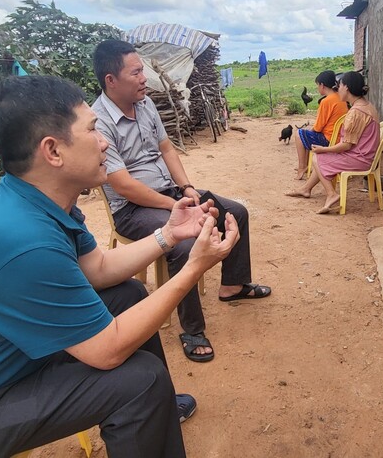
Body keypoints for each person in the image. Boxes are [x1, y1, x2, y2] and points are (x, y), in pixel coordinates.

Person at [0, 75, 239, 457]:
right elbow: (106, 351)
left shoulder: (40, 199)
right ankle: (149, 405)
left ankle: (156, 414)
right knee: (139, 381)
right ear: (53, 151)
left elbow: (98, 267)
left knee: (125, 294)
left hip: (7, 360)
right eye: (93, 129)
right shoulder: (25, 241)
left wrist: (170, 236)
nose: (105, 141)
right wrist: (194, 267)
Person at [92, 39, 271, 363]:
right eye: (136, 72)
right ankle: (192, 329)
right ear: (111, 80)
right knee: (185, 244)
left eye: (143, 70)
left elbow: (167, 149)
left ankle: (233, 285)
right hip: (133, 209)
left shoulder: (144, 104)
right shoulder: (99, 120)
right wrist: (171, 207)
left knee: (235, 211)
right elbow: (122, 185)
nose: (144, 78)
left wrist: (186, 189)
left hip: (170, 195)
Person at [286, 71, 380, 214]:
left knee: (318, 157)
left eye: (340, 85)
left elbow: (347, 145)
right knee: (322, 156)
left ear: (347, 88)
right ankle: (306, 189)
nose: (338, 89)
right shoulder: (366, 105)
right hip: (367, 155)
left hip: (360, 158)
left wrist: (323, 150)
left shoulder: (355, 113)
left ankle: (331, 194)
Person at [294, 70, 348, 179]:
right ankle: (304, 166)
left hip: (329, 140)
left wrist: (309, 130)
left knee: (299, 134)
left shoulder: (326, 101)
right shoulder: (340, 97)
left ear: (322, 85)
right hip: (340, 138)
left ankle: (302, 167)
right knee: (305, 133)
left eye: (318, 85)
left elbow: (318, 128)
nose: (318, 88)